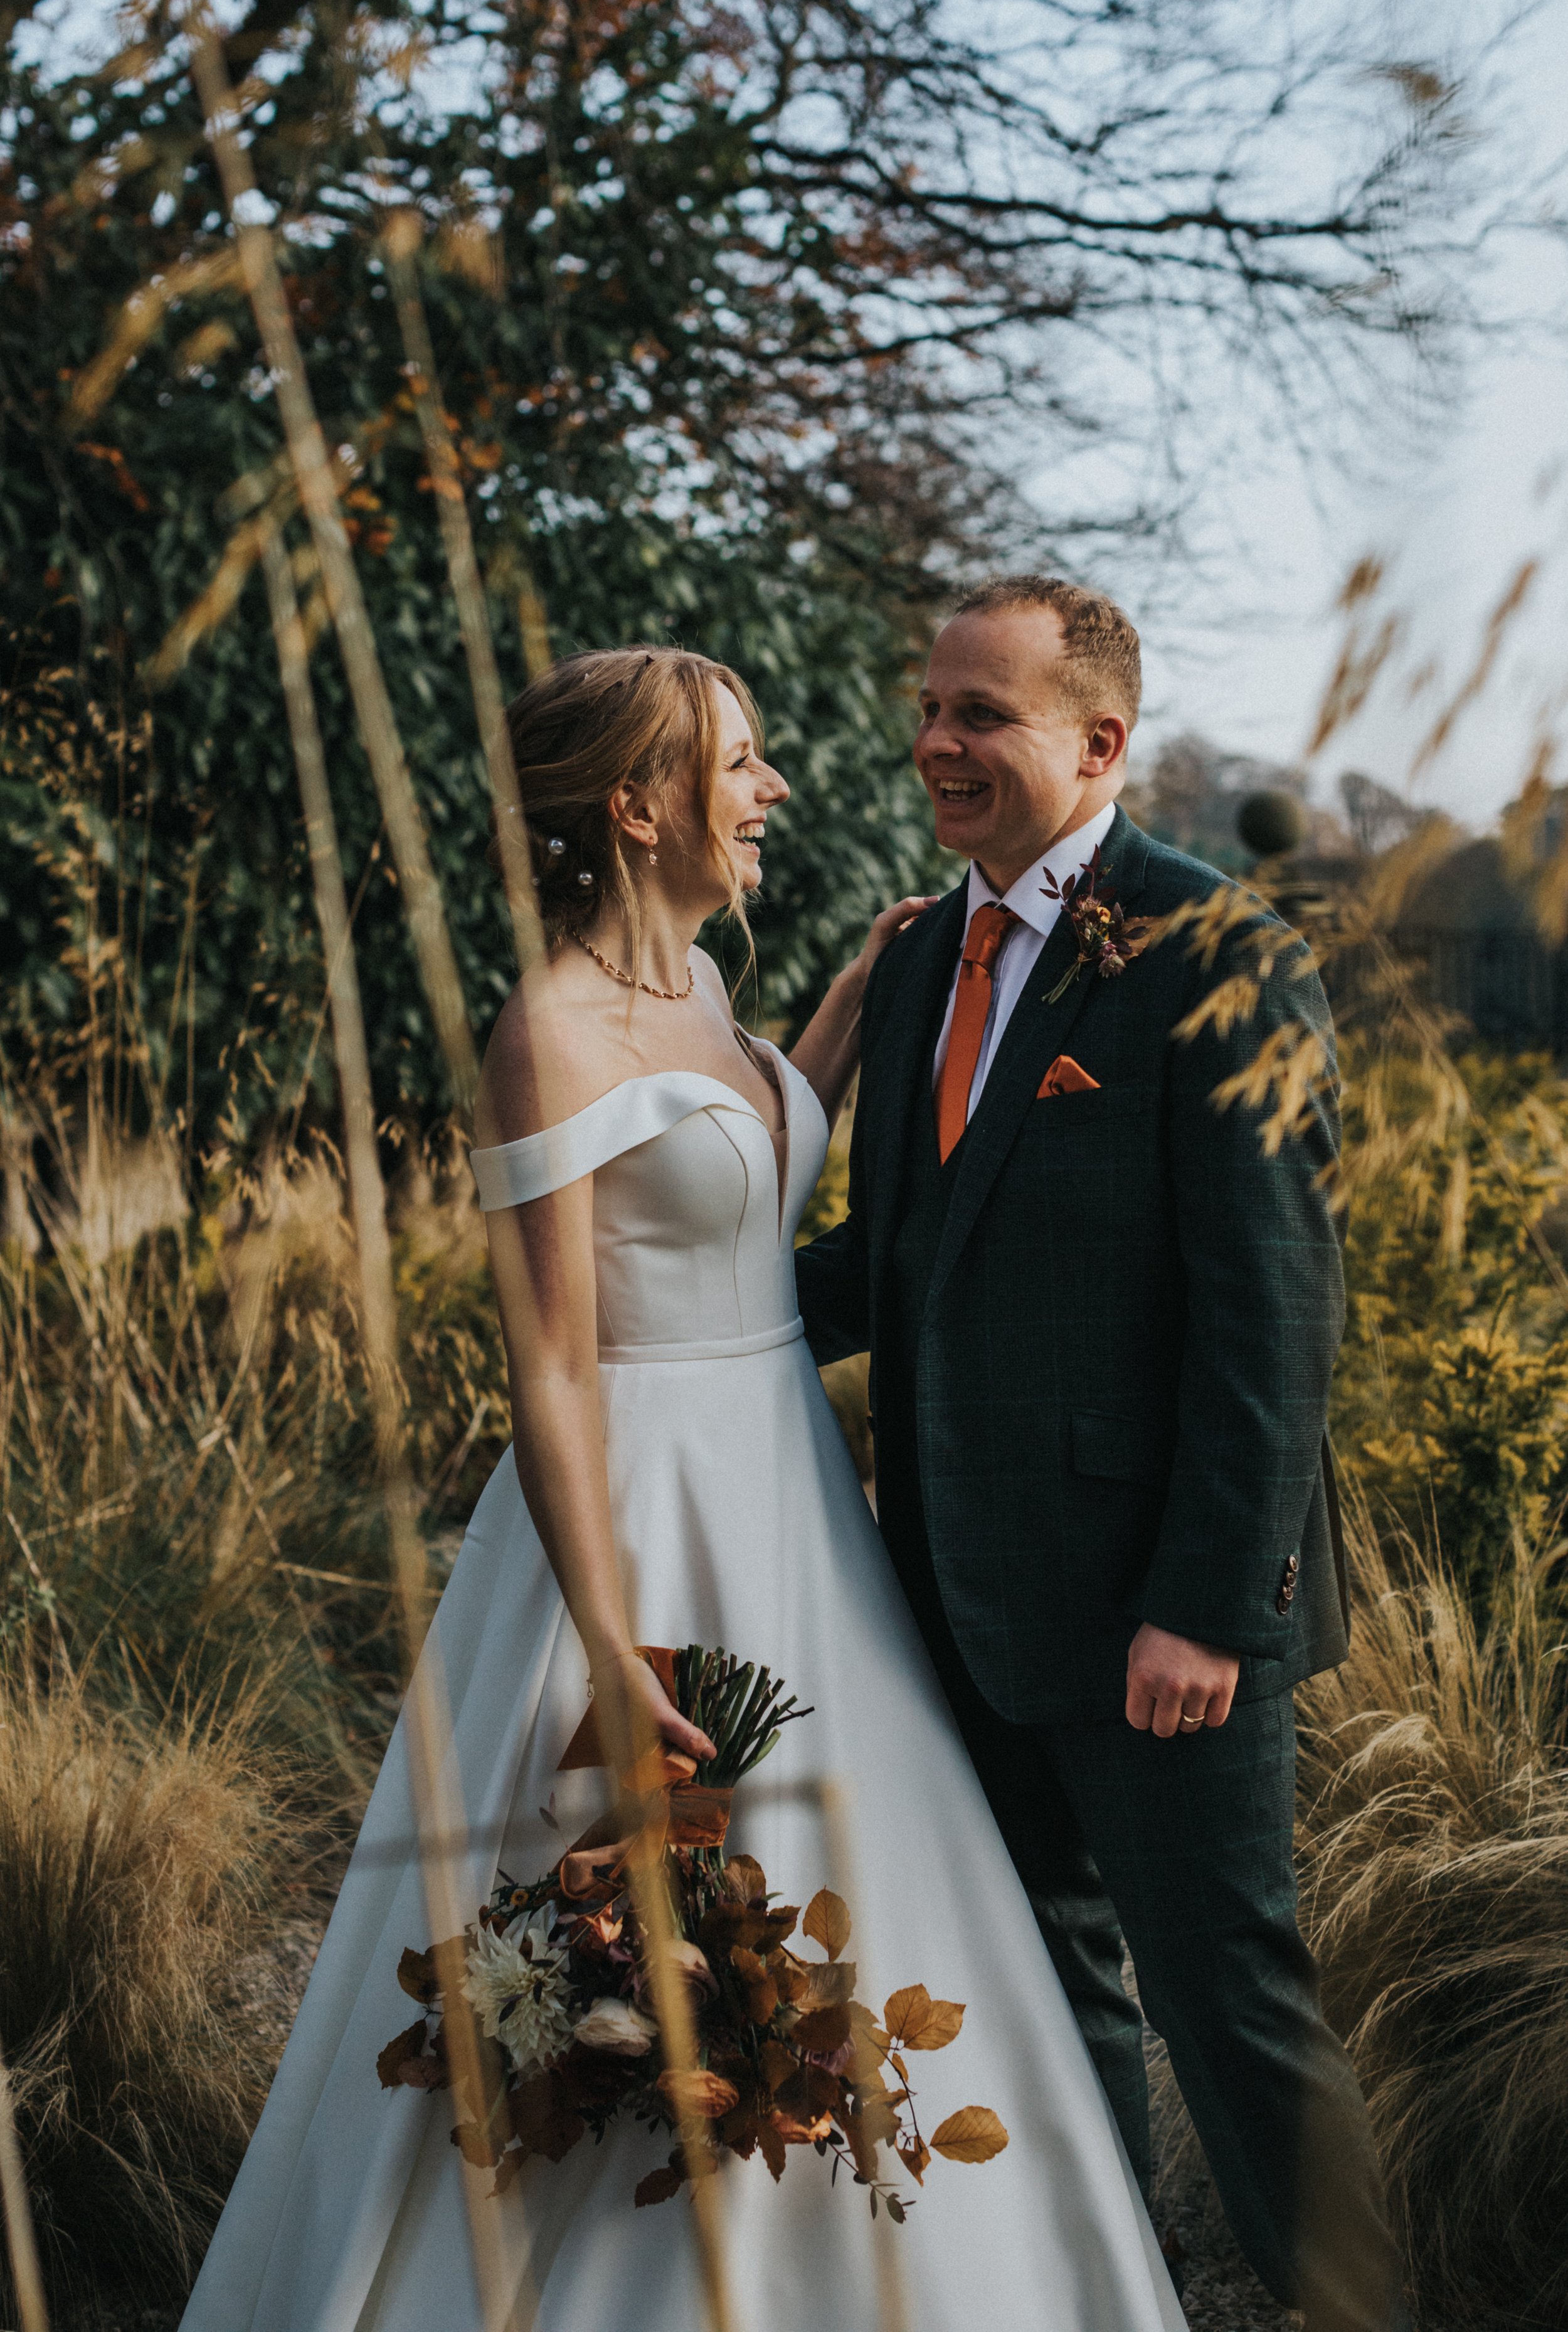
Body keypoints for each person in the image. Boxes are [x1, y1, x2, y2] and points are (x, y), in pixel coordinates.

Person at [179, 645, 1185, 2331]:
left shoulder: (706, 988)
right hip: (643, 1518)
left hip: (789, 1489)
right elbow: (555, 1369)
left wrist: (852, 1011)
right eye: (737, 762)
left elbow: (726, 1165)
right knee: (633, 1919)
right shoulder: (545, 1035)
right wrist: (612, 1641)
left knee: (843, 1886)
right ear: (635, 804)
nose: (773, 786)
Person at [795, 577, 1409, 2332]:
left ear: (1097, 742)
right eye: (928, 707)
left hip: (1162, 1619)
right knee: (1047, 1989)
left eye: (978, 713)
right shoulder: (918, 955)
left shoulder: (1223, 955)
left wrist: (1206, 1610)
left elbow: (1271, 1317)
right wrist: (675, 1324)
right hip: (955, 1598)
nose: (935, 743)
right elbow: (890, 1260)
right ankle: (1106, 2296)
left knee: (1233, 2004)